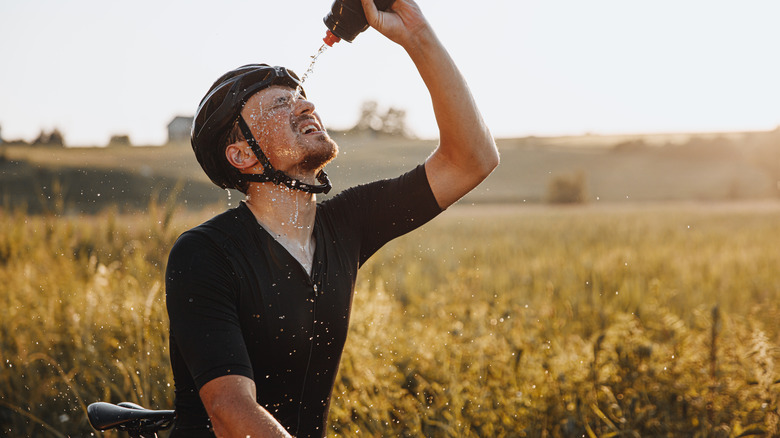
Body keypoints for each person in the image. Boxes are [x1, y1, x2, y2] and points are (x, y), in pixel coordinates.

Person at [164, 0, 499, 436]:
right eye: (279, 105)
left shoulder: (346, 225)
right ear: (242, 155)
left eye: (301, 99)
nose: (304, 107)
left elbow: (471, 159)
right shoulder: (206, 254)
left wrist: (416, 34)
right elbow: (230, 410)